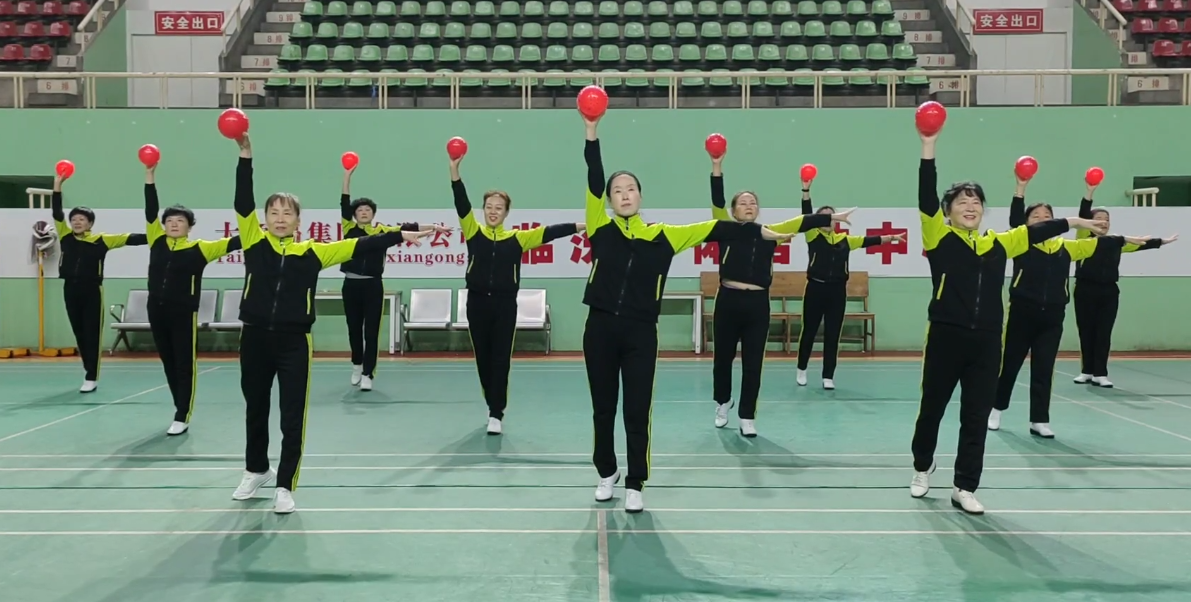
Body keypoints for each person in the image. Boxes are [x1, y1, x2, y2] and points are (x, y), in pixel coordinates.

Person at [582, 113, 800, 513]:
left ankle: (635, 481)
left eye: (631, 189)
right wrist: (591, 132)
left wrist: (774, 229)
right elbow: (593, 176)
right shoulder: (599, 227)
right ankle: (606, 471)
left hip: (640, 332)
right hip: (599, 328)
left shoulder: (665, 235)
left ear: (641, 197)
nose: (624, 195)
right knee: (602, 408)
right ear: (609, 201)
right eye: (617, 191)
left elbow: (721, 229)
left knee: (636, 409)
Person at [228, 133, 431, 514]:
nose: (280, 218)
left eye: (288, 213)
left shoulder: (315, 252)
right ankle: (256, 470)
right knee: (255, 408)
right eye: (274, 212)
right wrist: (245, 155)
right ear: (264, 218)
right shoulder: (253, 241)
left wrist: (401, 236)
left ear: (299, 221)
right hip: (253, 338)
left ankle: (285, 484)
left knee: (292, 414)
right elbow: (242, 200)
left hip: (293, 343)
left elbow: (364, 244)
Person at [910, 126, 1107, 515]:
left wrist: (1074, 221)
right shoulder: (938, 237)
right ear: (948, 211)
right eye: (962, 202)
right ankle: (921, 466)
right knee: (932, 409)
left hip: (986, 343)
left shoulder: (999, 243)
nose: (970, 207)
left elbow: (1036, 230)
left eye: (976, 202)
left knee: (976, 416)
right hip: (945, 338)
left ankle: (965, 486)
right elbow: (925, 197)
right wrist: (928, 146)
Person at [989, 176, 1160, 438]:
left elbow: (1100, 242)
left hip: (1053, 317)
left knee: (1044, 368)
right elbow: (1015, 222)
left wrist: (1130, 239)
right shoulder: (1022, 243)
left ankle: (1039, 420)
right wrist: (1020, 189)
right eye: (1036, 216)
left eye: (1047, 215)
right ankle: (996, 409)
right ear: (1027, 222)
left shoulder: (1067, 248)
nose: (1042, 219)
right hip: (1022, 313)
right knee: (1009, 364)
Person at [708, 151, 851, 437]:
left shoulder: (770, 233)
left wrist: (833, 217)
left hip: (757, 304)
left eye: (753, 202)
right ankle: (723, 402)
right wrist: (716, 166)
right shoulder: (725, 229)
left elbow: (802, 222)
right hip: (728, 301)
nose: (748, 206)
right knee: (722, 359)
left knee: (753, 363)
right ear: (734, 211)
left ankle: (747, 416)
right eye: (742, 203)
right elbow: (717, 200)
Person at [450, 153, 583, 435]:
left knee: (501, 358)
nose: (493, 211)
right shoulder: (473, 232)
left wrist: (581, 226)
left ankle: (496, 412)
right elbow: (461, 204)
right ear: (483, 210)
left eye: (499, 208)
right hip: (476, 303)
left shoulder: (518, 239)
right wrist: (454, 171)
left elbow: (550, 232)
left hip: (505, 305)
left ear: (507, 212)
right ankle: (491, 401)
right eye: (489, 207)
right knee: (483, 358)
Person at [143, 157, 242, 436]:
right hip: (156, 309)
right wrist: (149, 177)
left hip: (183, 312)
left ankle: (182, 414)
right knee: (168, 361)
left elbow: (236, 241)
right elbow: (150, 210)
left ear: (189, 226)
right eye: (169, 221)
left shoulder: (202, 248)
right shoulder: (156, 240)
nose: (174, 224)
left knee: (184, 363)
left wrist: (264, 230)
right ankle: (179, 405)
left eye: (180, 221)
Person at [339, 163, 447, 391]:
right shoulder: (348, 229)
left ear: (373, 214)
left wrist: (434, 227)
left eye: (367, 210)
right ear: (354, 215)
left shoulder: (383, 232)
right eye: (360, 210)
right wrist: (347, 176)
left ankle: (368, 373)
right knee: (353, 329)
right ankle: (357, 364)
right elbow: (344, 202)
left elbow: (409, 228)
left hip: (373, 287)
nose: (363, 212)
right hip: (350, 285)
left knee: (371, 332)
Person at [795, 177, 905, 390]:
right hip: (815, 289)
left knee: (833, 334)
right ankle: (802, 368)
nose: (827, 220)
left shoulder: (845, 241)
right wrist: (805, 191)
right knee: (809, 331)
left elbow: (870, 240)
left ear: (836, 222)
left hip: (837, 292)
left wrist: (891, 237)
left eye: (831, 217)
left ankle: (828, 376)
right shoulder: (812, 235)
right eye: (823, 216)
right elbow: (806, 215)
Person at [50, 172, 147, 393]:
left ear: (90, 223)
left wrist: (158, 237)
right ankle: (87, 369)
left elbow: (131, 238)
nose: (77, 222)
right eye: (74, 219)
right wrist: (57, 185)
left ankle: (91, 376)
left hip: (92, 291)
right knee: (79, 333)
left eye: (82, 219)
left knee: (92, 333)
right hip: (70, 289)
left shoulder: (101, 240)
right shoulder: (65, 236)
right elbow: (56, 212)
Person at [1071, 196, 1176, 388]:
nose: (1104, 222)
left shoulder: (1117, 243)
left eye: (1107, 219)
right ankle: (1087, 371)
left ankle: (1100, 373)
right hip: (1085, 290)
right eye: (1099, 218)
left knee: (1104, 333)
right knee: (1086, 331)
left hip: (1109, 292)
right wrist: (1088, 195)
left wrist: (1162, 241)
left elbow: (1140, 243)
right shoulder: (1083, 239)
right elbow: (1083, 216)